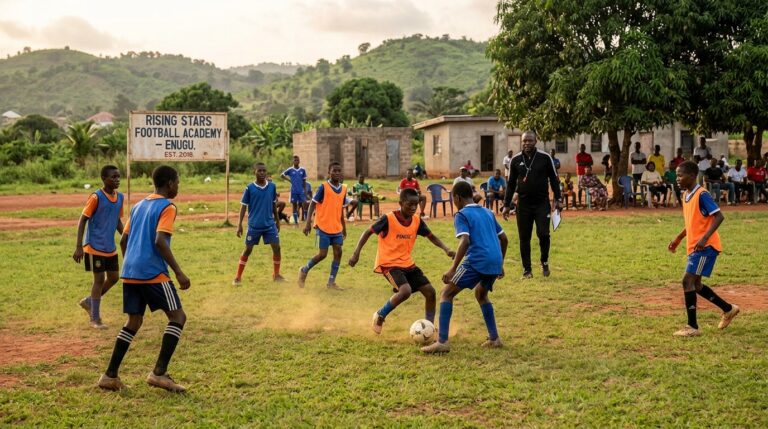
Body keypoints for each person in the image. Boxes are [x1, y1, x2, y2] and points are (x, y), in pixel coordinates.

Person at [98, 165, 190, 393]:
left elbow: (123, 241)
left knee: (134, 321)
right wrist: (178, 272)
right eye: (177, 182)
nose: (178, 187)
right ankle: (158, 374)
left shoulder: (138, 206)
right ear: (170, 183)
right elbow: (160, 241)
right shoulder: (168, 206)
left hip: (130, 272)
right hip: (152, 273)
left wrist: (133, 262)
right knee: (178, 317)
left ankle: (110, 376)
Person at [348, 188, 455, 334]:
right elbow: (367, 232)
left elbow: (431, 236)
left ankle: (429, 326)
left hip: (407, 264)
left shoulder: (416, 220)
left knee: (430, 292)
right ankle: (380, 315)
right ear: (400, 203)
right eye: (409, 204)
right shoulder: (388, 219)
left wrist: (446, 249)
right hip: (388, 264)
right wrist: (356, 253)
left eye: (415, 205)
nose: (413, 208)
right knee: (405, 291)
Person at [421, 181, 508, 354]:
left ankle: (442, 342)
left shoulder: (461, 214)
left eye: (453, 199)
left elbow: (465, 241)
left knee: (447, 293)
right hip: (494, 260)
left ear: (457, 197)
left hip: (477, 260)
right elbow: (504, 239)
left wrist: (453, 269)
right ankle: (494, 338)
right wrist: (500, 264)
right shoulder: (488, 212)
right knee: (481, 294)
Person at [667, 161, 739, 337]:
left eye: (680, 175)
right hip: (694, 247)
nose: (677, 179)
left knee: (687, 281)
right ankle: (728, 309)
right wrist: (678, 238)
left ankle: (692, 326)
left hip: (706, 247)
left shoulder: (702, 194)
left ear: (692, 176)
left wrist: (704, 238)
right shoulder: (686, 195)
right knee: (696, 285)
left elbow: (719, 216)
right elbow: (691, 222)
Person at [502, 131, 562, 278]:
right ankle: (527, 270)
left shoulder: (545, 158)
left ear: (536, 141)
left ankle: (544, 261)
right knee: (524, 237)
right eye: (525, 141)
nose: (527, 143)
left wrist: (558, 199)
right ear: (522, 142)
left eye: (530, 141)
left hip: (542, 203)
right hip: (523, 204)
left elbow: (554, 180)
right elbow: (510, 185)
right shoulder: (515, 160)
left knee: (543, 234)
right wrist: (506, 204)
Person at [73, 165, 125, 329]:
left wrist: (126, 238)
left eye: (118, 177)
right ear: (104, 179)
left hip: (110, 247)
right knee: (99, 280)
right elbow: (83, 220)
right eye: (113, 177)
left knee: (114, 277)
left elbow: (117, 221)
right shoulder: (96, 197)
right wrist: (79, 246)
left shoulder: (120, 197)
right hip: (94, 246)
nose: (117, 180)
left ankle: (89, 302)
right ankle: (95, 319)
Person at [233, 162, 283, 286]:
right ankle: (238, 277)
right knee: (247, 250)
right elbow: (243, 207)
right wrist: (239, 224)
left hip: (269, 225)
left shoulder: (272, 187)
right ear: (254, 172)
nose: (262, 173)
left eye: (264, 171)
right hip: (254, 225)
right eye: (259, 171)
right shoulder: (249, 188)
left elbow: (273, 205)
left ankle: (276, 275)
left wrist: (277, 221)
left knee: (277, 248)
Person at [300, 162, 347, 291]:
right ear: (329, 172)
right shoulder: (323, 187)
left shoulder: (343, 189)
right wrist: (308, 222)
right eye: (334, 171)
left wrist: (344, 228)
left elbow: (340, 210)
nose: (337, 173)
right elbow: (312, 204)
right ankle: (304, 270)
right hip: (323, 226)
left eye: (339, 171)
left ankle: (331, 282)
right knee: (322, 254)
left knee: (338, 252)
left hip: (337, 227)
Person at [280, 155, 308, 225]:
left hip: (301, 190)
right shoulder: (290, 170)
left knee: (305, 203)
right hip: (294, 190)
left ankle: (306, 218)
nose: (296, 161)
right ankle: (296, 221)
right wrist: (289, 180)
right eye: (295, 160)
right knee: (294, 205)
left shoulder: (302, 170)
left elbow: (304, 180)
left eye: (297, 160)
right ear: (292, 161)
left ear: (299, 161)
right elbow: (282, 175)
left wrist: (305, 190)